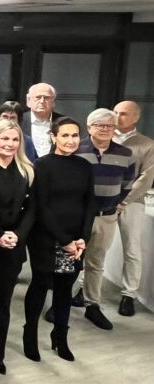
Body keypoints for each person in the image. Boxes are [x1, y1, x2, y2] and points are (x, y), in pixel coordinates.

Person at [24, 117, 96, 363]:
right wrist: (64, 240)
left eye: (75, 135)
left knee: (65, 288)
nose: (70, 140)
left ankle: (60, 337)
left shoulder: (84, 166)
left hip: (74, 240)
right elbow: (41, 208)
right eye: (64, 135)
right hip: (46, 237)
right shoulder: (41, 165)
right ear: (53, 137)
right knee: (41, 284)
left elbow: (90, 204)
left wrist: (83, 238)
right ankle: (30, 336)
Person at [71, 108, 136, 331]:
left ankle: (92, 305)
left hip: (106, 217)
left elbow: (128, 184)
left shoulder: (125, 153)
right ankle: (60, 303)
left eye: (109, 125)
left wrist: (116, 204)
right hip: (78, 217)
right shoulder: (76, 149)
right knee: (70, 261)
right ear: (89, 128)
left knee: (96, 263)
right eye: (99, 125)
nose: (105, 129)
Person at [0, 119, 35, 375]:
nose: (10, 144)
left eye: (14, 140)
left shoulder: (27, 170)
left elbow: (31, 209)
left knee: (1, 302)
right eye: (4, 139)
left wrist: (17, 236)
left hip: (12, 245)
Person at [112, 101, 154, 316]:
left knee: (132, 248)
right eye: (116, 112)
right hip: (104, 201)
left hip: (132, 202)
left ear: (136, 117)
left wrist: (123, 201)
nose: (118, 117)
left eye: (124, 114)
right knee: (93, 245)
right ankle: (84, 288)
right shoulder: (105, 138)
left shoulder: (147, 144)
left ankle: (129, 295)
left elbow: (146, 178)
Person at [23, 83, 64, 158]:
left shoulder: (64, 123)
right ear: (28, 100)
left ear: (53, 102)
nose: (42, 101)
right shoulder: (18, 121)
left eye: (47, 97)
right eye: (38, 97)